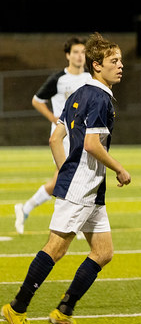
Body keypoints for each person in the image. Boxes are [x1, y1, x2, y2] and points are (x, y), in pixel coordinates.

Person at [2, 33, 132, 324]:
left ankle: (64, 311)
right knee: (56, 248)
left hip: (87, 187)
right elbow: (91, 144)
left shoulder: (79, 92)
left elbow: (54, 139)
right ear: (97, 65)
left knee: (103, 253)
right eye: (114, 61)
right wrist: (119, 168)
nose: (121, 66)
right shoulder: (100, 97)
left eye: (121, 60)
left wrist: (65, 170)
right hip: (83, 188)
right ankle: (16, 308)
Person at [14, 36, 92, 235]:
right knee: (68, 177)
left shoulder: (89, 79)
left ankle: (26, 209)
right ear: (68, 55)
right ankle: (72, 222)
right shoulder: (58, 79)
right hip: (62, 138)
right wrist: (53, 117)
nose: (79, 56)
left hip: (82, 137)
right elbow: (36, 100)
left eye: (83, 52)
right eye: (75, 52)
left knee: (69, 178)